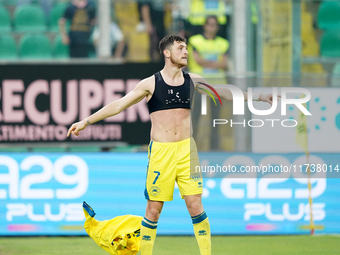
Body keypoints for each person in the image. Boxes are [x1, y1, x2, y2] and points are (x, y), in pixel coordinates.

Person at [67, 35, 275, 255]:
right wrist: (86, 121)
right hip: (161, 153)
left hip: (187, 151)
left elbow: (223, 91)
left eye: (186, 48)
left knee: (195, 205)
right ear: (167, 53)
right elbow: (118, 105)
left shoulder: (192, 80)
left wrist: (259, 96)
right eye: (180, 48)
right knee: (153, 210)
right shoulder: (150, 83)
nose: (186, 52)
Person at [188, 15, 229, 150]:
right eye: (209, 24)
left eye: (214, 25)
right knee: (195, 116)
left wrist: (207, 63)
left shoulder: (223, 43)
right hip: (199, 85)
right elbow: (197, 60)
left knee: (216, 119)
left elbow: (224, 63)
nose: (212, 27)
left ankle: (214, 147)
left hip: (217, 85)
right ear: (204, 26)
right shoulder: (195, 41)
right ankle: (191, 146)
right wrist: (215, 64)